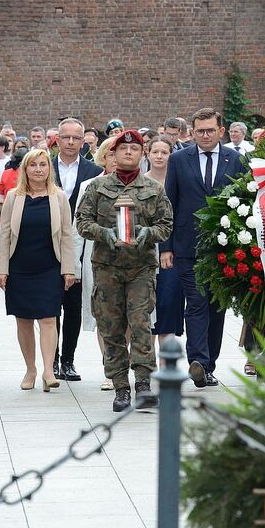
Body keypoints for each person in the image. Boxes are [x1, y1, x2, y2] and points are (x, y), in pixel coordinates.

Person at [76, 130, 173, 412]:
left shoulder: (154, 189)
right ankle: (120, 386)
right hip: (107, 268)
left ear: (142, 155)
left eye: (134, 149)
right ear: (113, 154)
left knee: (141, 323)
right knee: (112, 326)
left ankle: (143, 383)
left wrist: (148, 233)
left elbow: (166, 224)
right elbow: (82, 222)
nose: (128, 153)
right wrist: (104, 233)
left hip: (141, 267)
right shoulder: (97, 187)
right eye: (123, 149)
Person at [161, 108, 244, 388]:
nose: (205, 135)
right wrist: (166, 246)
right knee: (195, 303)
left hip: (223, 246)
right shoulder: (178, 160)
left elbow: (243, 202)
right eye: (200, 131)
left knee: (216, 306)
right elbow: (169, 203)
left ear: (221, 131)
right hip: (188, 245)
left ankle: (209, 364)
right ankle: (197, 360)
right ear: (191, 133)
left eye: (210, 130)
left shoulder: (236, 159)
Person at [0, 149, 74, 392]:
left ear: (49, 169)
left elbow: (66, 235)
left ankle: (49, 370)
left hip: (50, 267)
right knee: (24, 320)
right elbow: (5, 234)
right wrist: (2, 269)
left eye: (43, 165)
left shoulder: (59, 197)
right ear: (25, 169)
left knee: (50, 318)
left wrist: (68, 269)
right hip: (20, 267)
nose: (38, 169)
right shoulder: (13, 197)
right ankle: (31, 369)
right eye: (33, 165)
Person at [51, 118, 103, 380]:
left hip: (80, 246)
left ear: (84, 141)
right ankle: (52, 359)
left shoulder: (95, 171)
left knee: (73, 305)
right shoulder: (43, 167)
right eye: (66, 137)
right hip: (49, 244)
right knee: (51, 305)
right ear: (57, 139)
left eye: (76, 138)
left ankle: (68, 360)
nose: (71, 142)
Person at [72, 136, 118, 390]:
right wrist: (74, 265)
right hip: (97, 258)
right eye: (110, 154)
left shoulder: (142, 185)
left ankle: (122, 361)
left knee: (129, 315)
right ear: (102, 157)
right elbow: (78, 227)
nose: (115, 158)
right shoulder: (90, 185)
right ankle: (110, 368)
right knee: (103, 315)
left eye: (120, 153)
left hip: (132, 261)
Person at [145, 136, 184, 351]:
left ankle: (166, 361)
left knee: (169, 305)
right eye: (155, 152)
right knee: (146, 307)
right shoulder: (140, 181)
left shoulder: (179, 180)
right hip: (145, 251)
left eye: (165, 152)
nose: (159, 156)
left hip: (172, 252)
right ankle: (147, 363)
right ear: (148, 154)